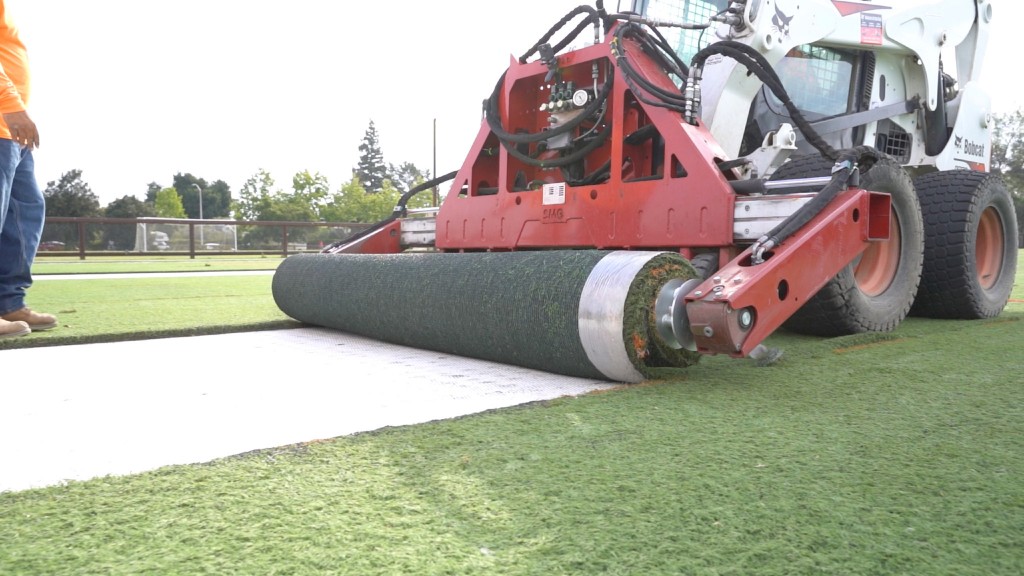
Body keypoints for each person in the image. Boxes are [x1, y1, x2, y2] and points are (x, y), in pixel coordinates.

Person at [0, 1, 55, 339]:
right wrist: (9, 104)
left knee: (24, 215)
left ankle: (8, 302)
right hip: (5, 117)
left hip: (10, 134)